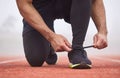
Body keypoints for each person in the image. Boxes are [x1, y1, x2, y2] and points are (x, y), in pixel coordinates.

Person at [16, 0, 108, 69]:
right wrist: (51, 37)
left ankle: (77, 50)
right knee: (35, 59)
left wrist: (102, 31)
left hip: (67, 3)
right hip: (39, 7)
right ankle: (49, 48)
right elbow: (24, 4)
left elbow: (96, 1)